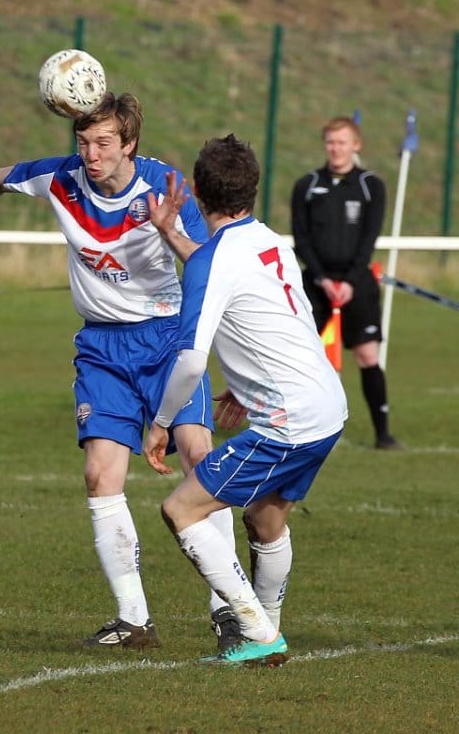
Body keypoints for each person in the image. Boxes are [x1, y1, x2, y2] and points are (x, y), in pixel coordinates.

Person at [0, 92, 241, 651]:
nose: (91, 153)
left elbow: (207, 267)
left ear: (129, 144)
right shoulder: (61, 179)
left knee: (199, 462)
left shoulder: (164, 186)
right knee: (100, 476)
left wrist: (172, 232)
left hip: (167, 341)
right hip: (102, 348)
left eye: (104, 142)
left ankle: (227, 608)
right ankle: (133, 620)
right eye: (83, 142)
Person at [142, 134, 348, 666]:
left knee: (181, 509)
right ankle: (269, 632)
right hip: (327, 405)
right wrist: (170, 234)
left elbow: (190, 361)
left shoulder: (215, 262)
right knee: (264, 519)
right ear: (252, 191)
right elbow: (280, 315)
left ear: (196, 192)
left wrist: (162, 422)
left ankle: (254, 629)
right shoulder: (271, 241)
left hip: (291, 418)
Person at [290, 116, 401, 450]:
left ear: (356, 145)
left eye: (342, 142)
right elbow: (301, 238)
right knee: (309, 357)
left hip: (358, 284)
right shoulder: (306, 185)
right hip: (317, 283)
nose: (335, 149)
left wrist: (351, 280)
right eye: (330, 142)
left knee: (368, 356)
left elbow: (369, 238)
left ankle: (383, 432)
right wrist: (322, 278)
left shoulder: (371, 186)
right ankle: (306, 429)